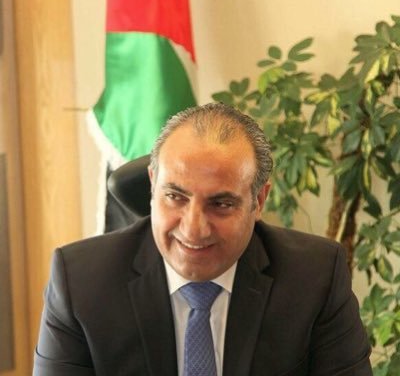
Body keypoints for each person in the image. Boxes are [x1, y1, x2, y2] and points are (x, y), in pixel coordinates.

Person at [33, 102, 372, 375]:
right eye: (175, 197)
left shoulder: (315, 277)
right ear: (152, 186)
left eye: (220, 204)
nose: (194, 228)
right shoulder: (81, 282)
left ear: (258, 201)